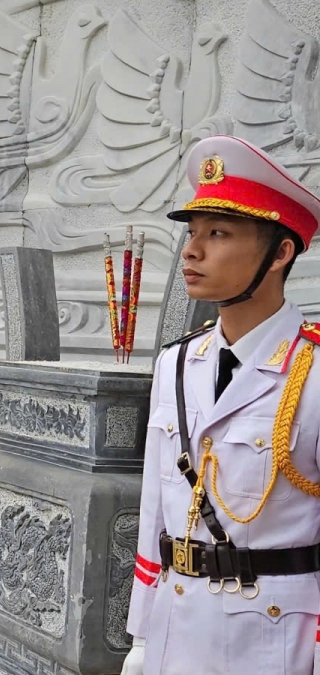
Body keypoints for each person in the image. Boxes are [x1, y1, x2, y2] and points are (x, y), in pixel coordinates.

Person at [121, 136, 320, 675]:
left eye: (218, 233)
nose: (191, 250)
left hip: (272, 641)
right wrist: (139, 636)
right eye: (191, 232)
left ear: (280, 253)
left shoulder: (314, 372)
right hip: (173, 628)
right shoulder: (177, 364)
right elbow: (152, 513)